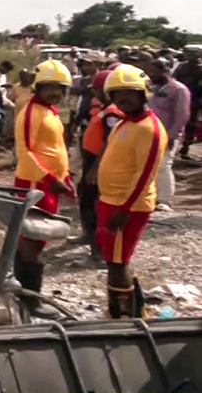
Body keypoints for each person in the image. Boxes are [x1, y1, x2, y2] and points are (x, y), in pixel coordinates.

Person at [96, 64, 168, 318]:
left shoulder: (150, 129)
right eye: (116, 94)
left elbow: (145, 174)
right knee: (115, 259)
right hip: (112, 201)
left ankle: (122, 317)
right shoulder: (126, 123)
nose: (121, 99)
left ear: (143, 93)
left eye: (128, 93)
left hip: (126, 207)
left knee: (117, 263)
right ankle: (135, 310)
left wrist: (124, 209)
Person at [13, 59, 76, 319]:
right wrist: (50, 179)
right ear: (38, 86)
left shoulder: (50, 112)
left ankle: (22, 294)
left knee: (30, 242)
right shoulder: (30, 112)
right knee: (33, 243)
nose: (56, 93)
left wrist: (65, 177)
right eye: (50, 87)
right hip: (34, 184)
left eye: (60, 88)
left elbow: (56, 149)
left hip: (48, 183)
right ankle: (32, 300)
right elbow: (24, 152)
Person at [78, 70, 122, 261]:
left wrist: (95, 170)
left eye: (96, 89)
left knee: (94, 205)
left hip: (99, 164)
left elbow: (109, 141)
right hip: (91, 161)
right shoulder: (104, 108)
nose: (94, 93)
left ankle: (98, 250)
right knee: (85, 200)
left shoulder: (112, 112)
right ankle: (88, 237)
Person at [148, 58, 191, 211]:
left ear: (167, 70)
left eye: (157, 70)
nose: (153, 73)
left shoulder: (179, 89)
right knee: (150, 165)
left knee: (163, 166)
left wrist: (173, 136)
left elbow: (182, 115)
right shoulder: (154, 88)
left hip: (168, 134)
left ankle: (165, 200)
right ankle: (152, 196)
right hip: (150, 132)